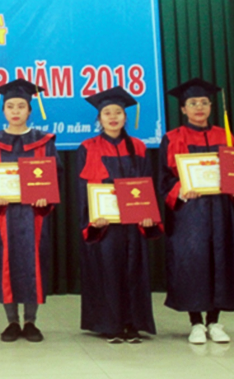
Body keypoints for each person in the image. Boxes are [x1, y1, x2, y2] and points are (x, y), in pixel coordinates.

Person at [159, 78, 234, 344]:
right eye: (192, 103)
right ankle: (196, 322)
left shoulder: (226, 136)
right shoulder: (173, 138)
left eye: (203, 102)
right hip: (190, 212)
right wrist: (181, 190)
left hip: (221, 210)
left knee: (220, 260)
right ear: (183, 109)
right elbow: (164, 179)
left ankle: (215, 321)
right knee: (194, 262)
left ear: (210, 106)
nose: (199, 107)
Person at [0, 80, 62, 342]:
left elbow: (55, 175)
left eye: (21, 106)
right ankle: (11, 321)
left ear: (29, 110)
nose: (15, 111)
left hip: (34, 215)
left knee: (34, 262)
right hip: (3, 215)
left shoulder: (44, 141)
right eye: (10, 106)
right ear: (3, 110)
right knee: (5, 263)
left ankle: (31, 322)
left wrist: (46, 198)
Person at [76, 86, 162, 343]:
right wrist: (93, 218)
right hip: (106, 224)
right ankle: (110, 324)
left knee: (134, 270)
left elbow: (147, 183)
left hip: (134, 223)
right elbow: (83, 189)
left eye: (118, 112)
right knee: (108, 270)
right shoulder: (88, 147)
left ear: (125, 117)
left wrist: (148, 215)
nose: (112, 117)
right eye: (107, 113)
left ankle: (133, 324)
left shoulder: (139, 146)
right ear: (99, 118)